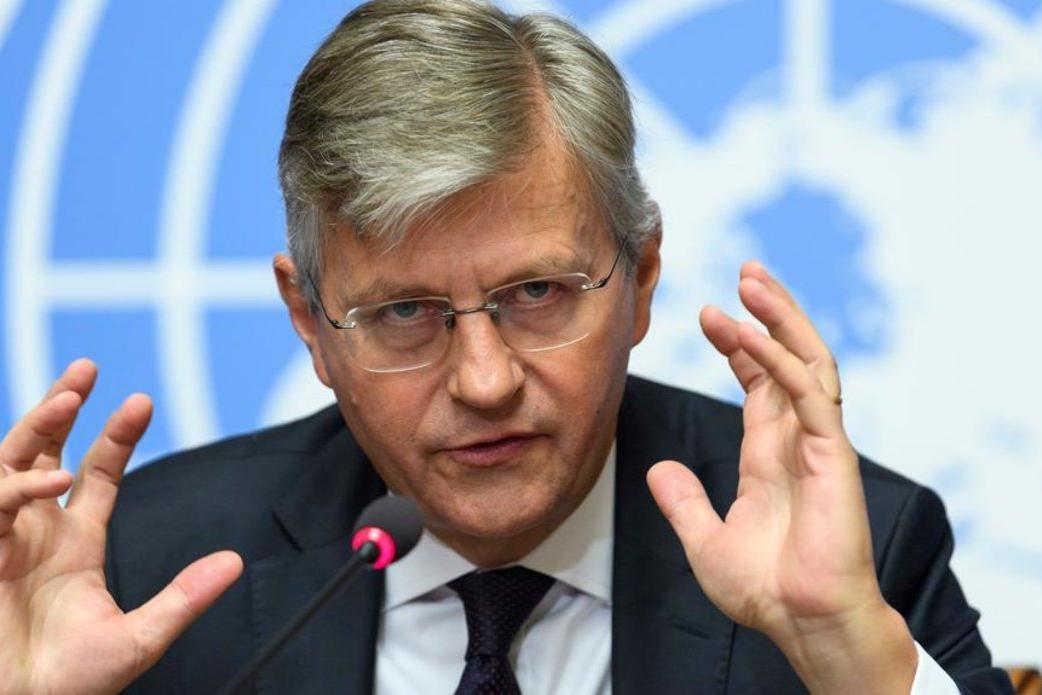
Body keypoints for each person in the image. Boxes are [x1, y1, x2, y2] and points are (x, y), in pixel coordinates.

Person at [0, 1, 1012, 693]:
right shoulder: (145, 569)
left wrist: (850, 656)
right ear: (310, 321)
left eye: (537, 293)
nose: (485, 381)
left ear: (641, 277)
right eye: (405, 312)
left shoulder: (860, 552)